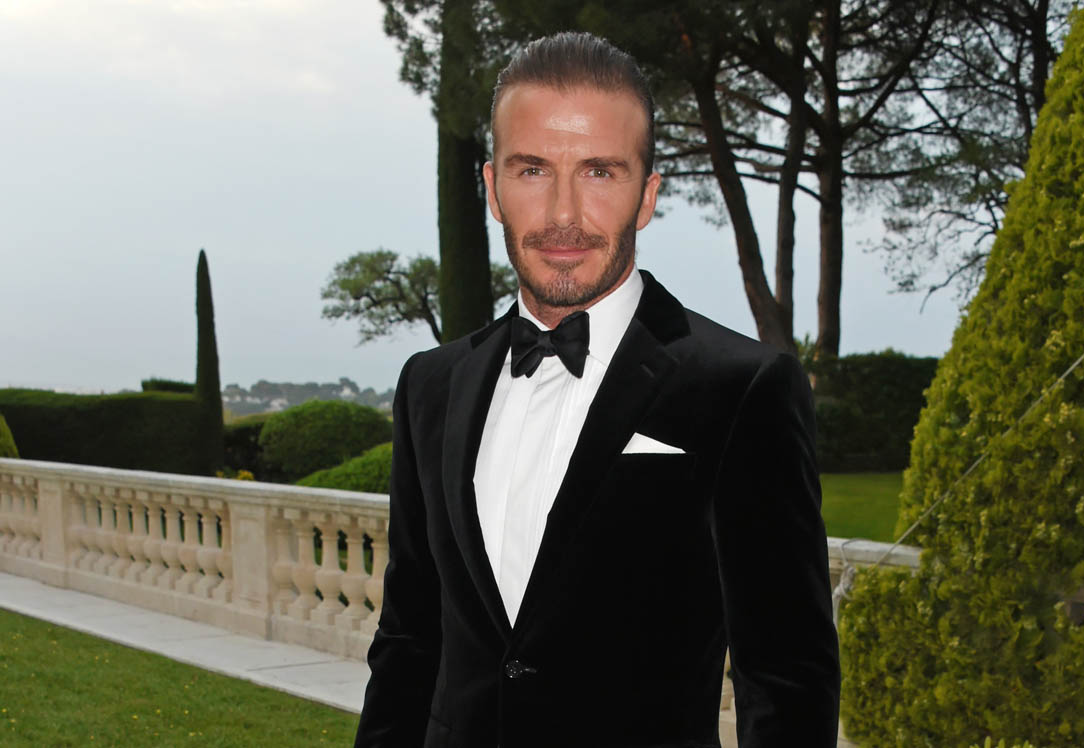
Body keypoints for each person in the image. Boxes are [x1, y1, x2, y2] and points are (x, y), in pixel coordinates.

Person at [354, 31, 840, 748]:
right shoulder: (430, 385)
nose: (563, 214)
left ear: (647, 196)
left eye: (600, 172)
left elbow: (786, 676)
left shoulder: (742, 389)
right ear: (491, 189)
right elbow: (407, 639)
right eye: (532, 170)